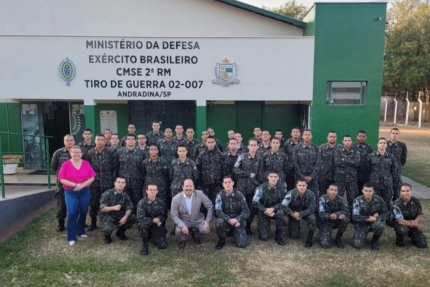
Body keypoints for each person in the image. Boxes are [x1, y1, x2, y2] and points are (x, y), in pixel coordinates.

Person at [58, 145, 96, 245]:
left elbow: (92, 177)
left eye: (78, 152)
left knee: (83, 211)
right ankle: (71, 236)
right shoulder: (66, 164)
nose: (76, 154)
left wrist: (82, 185)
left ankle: (81, 230)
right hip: (70, 192)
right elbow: (62, 179)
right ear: (70, 153)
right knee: (72, 213)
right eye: (74, 152)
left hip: (84, 191)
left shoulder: (86, 164)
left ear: (81, 154)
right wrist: (75, 185)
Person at [170, 179, 214, 249]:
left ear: (194, 187)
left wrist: (207, 220)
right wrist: (182, 225)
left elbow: (210, 205)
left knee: (205, 229)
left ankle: (196, 233)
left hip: (197, 219)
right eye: (186, 186)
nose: (188, 188)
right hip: (184, 220)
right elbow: (174, 215)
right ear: (182, 187)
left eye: (190, 186)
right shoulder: (176, 199)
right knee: (178, 231)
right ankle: (182, 240)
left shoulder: (200, 194)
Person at [85, 134, 115, 231]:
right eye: (98, 140)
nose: (100, 142)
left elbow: (115, 167)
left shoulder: (111, 152)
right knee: (93, 203)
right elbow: (87, 168)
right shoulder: (90, 153)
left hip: (107, 182)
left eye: (102, 140)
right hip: (94, 183)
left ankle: (107, 221)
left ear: (105, 141)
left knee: (107, 203)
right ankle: (93, 222)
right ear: (95, 141)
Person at [234, 139, 262, 235]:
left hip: (254, 187)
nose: (253, 147)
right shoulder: (242, 156)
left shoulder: (260, 158)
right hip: (242, 186)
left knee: (251, 207)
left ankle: (248, 227)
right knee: (240, 206)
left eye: (255, 145)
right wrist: (247, 174)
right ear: (248, 146)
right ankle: (238, 226)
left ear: (258, 147)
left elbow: (262, 172)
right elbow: (235, 169)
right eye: (251, 145)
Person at [279, 178, 317, 247]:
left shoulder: (311, 194)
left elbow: (312, 208)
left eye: (303, 185)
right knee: (294, 236)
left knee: (312, 218)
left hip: (306, 213)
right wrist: (292, 213)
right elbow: (283, 205)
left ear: (306, 186)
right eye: (299, 185)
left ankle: (309, 239)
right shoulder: (290, 193)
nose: (301, 187)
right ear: (296, 185)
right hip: (293, 214)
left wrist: (300, 214)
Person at [252, 171, 287, 245]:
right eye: (271, 177)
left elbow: (284, 201)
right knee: (263, 237)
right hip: (264, 211)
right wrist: (265, 209)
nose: (273, 179)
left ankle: (278, 235)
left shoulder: (282, 188)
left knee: (281, 213)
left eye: (275, 177)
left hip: (276, 211)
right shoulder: (261, 188)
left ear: (278, 178)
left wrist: (273, 209)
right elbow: (255, 202)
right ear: (268, 177)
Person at [215, 176, 250, 250]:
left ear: (233, 183)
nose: (227, 184)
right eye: (225, 183)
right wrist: (229, 220)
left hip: (237, 222)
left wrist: (237, 219)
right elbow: (218, 211)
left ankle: (233, 232)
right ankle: (222, 240)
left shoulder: (239, 195)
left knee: (242, 244)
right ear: (223, 184)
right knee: (219, 222)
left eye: (229, 182)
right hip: (226, 222)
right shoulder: (219, 196)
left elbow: (246, 211)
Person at [113, 134, 146, 211]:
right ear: (126, 141)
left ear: (136, 141)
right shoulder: (119, 152)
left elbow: (144, 168)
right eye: (128, 139)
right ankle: (125, 218)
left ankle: (137, 218)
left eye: (132, 139)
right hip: (123, 182)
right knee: (123, 200)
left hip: (137, 182)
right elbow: (116, 167)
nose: (130, 140)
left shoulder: (141, 153)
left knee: (137, 201)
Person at [99, 177, 136, 244]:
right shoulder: (107, 194)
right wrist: (113, 208)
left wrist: (125, 217)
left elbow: (129, 208)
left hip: (120, 216)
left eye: (122, 182)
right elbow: (102, 208)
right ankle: (107, 236)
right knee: (107, 228)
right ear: (114, 183)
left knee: (133, 217)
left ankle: (120, 232)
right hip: (108, 216)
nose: (120, 184)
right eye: (118, 182)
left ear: (125, 184)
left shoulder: (125, 195)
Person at [352, 183, 388, 250]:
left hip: (374, 223)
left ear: (373, 191)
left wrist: (376, 218)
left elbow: (386, 213)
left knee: (380, 225)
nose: (368, 193)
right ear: (362, 191)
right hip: (362, 224)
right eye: (366, 191)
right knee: (358, 245)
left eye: (370, 191)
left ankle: (374, 241)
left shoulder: (379, 199)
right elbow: (355, 216)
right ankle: (361, 236)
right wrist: (368, 218)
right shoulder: (357, 201)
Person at [392, 183, 427, 248]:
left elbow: (420, 213)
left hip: (413, 224)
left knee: (423, 244)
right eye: (403, 191)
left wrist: (416, 221)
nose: (406, 193)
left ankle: (413, 235)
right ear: (400, 192)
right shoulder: (397, 204)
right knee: (402, 230)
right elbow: (400, 220)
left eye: (407, 191)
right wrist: (415, 224)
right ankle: (399, 241)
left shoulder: (416, 201)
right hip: (402, 224)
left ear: (411, 191)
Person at [367, 138, 398, 210]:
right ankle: (376, 218)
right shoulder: (371, 156)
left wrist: (390, 180)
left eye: (384, 143)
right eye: (380, 143)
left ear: (387, 145)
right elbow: (367, 169)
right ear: (377, 144)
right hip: (375, 184)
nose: (382, 144)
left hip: (387, 185)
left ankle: (387, 218)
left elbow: (394, 170)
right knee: (374, 202)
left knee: (387, 203)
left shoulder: (391, 156)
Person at [51, 134, 74, 232]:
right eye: (67, 140)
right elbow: (54, 166)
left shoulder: (78, 152)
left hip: (75, 183)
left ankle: (77, 222)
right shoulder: (58, 153)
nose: (69, 142)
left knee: (76, 204)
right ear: (64, 142)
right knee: (62, 204)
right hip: (62, 184)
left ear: (74, 141)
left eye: (71, 140)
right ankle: (61, 224)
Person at [137, 184, 168, 255]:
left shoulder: (160, 202)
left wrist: (160, 219)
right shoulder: (141, 203)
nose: (152, 192)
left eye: (154, 190)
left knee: (163, 245)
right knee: (143, 225)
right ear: (147, 191)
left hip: (156, 225)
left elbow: (164, 215)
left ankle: (152, 236)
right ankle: (145, 243)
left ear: (157, 191)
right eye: (150, 190)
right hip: (146, 225)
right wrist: (152, 220)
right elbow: (140, 218)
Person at [317, 183, 350, 249]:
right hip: (325, 222)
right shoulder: (322, 199)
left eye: (335, 190)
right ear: (327, 190)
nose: (333, 192)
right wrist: (333, 216)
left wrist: (337, 214)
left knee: (345, 219)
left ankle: (338, 238)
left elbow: (346, 211)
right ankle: (325, 233)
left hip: (336, 222)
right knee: (325, 244)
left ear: (337, 191)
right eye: (331, 189)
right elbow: (321, 214)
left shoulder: (340, 199)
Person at [333, 135, 360, 213]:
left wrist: (344, 159)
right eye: (345, 140)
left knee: (352, 198)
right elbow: (337, 162)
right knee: (338, 197)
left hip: (351, 178)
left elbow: (356, 163)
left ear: (351, 141)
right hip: (340, 178)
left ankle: (352, 216)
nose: (347, 142)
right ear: (342, 141)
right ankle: (337, 213)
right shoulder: (338, 150)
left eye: (349, 141)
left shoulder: (355, 151)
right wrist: (350, 160)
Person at [196, 136, 224, 204]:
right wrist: (199, 183)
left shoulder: (220, 155)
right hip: (204, 184)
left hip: (217, 184)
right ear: (206, 143)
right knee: (205, 204)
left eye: (212, 142)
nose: (210, 144)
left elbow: (224, 169)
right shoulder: (201, 155)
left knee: (217, 203)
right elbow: (197, 169)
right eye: (209, 142)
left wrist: (222, 182)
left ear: (215, 143)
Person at [293, 129, 321, 198]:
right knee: (299, 196)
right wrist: (302, 176)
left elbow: (318, 163)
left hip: (313, 179)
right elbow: (295, 163)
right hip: (300, 178)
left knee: (313, 197)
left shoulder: (316, 148)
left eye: (309, 135)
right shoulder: (296, 148)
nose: (307, 136)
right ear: (302, 136)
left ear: (311, 136)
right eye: (305, 135)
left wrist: (312, 176)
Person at [318, 131, 340, 197]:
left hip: (337, 176)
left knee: (335, 195)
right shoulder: (321, 148)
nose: (332, 138)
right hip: (324, 176)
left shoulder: (340, 148)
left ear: (336, 138)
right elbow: (317, 161)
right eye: (330, 137)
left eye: (334, 137)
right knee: (322, 195)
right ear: (327, 137)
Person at [388, 128, 407, 201]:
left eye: (396, 133)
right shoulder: (385, 144)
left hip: (397, 172)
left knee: (397, 191)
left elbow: (403, 159)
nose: (394, 135)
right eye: (393, 133)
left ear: (399, 135)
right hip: (387, 170)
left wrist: (398, 166)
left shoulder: (402, 145)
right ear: (390, 134)